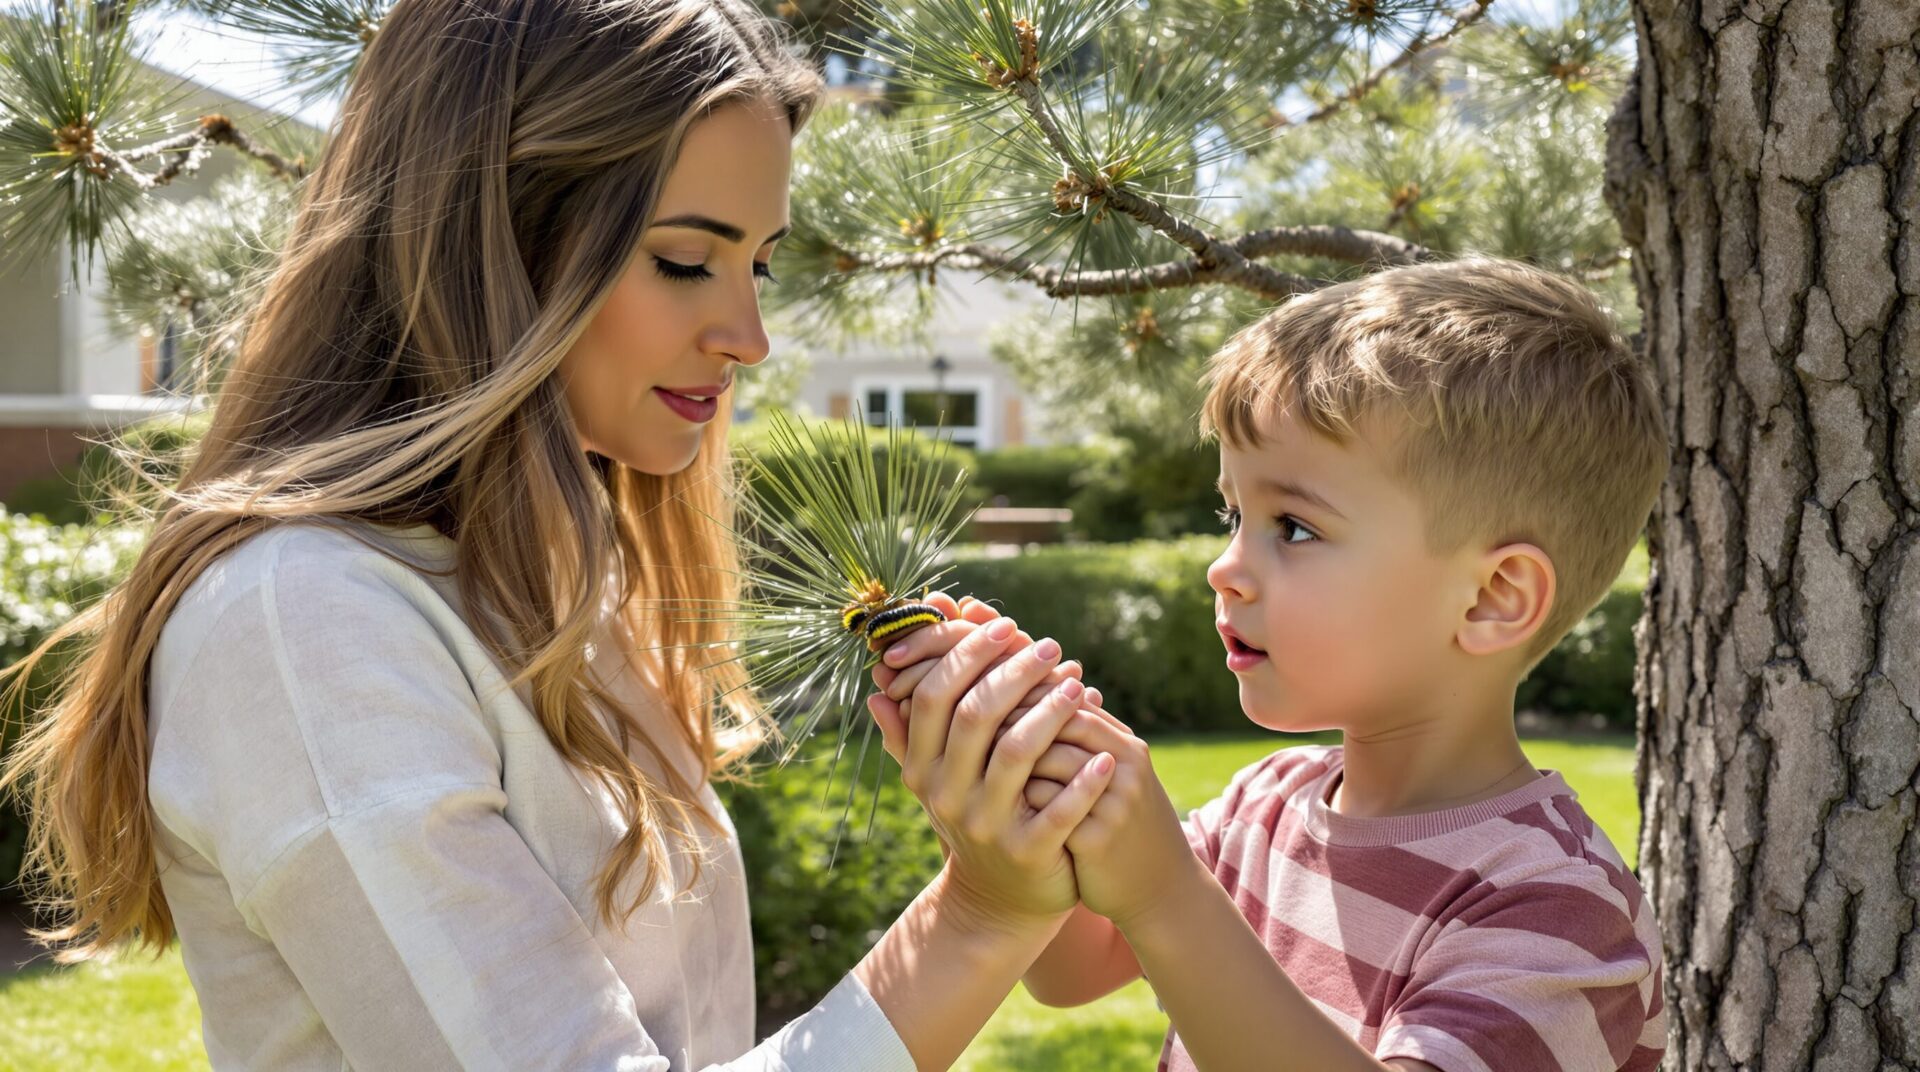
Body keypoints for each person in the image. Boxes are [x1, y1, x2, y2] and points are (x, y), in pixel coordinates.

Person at [0, 2, 1120, 1068]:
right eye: (687, 259)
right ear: (494, 240)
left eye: (759, 263)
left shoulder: (550, 583)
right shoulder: (306, 624)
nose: (749, 335)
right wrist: (977, 916)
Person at [871, 257, 1671, 1071]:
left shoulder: (1558, 910)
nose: (1225, 567)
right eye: (1233, 512)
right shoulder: (1268, 805)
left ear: (1492, 598)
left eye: (1292, 527)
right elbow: (1071, 969)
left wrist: (1169, 898)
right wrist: (990, 784)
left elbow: (1162, 916)